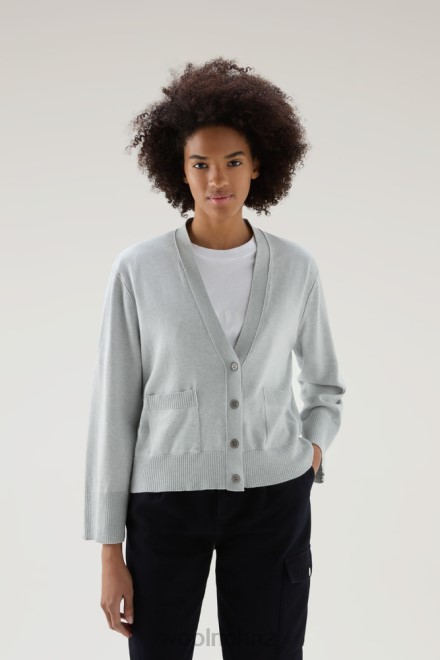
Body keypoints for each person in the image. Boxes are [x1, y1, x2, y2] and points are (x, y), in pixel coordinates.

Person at [83, 57, 346, 660]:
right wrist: (109, 551)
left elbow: (326, 385)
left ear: (258, 165)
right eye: (200, 163)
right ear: (180, 169)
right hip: (163, 505)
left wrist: (310, 450)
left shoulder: (296, 268)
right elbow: (114, 411)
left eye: (233, 161)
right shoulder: (138, 270)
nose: (217, 179)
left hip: (273, 498)